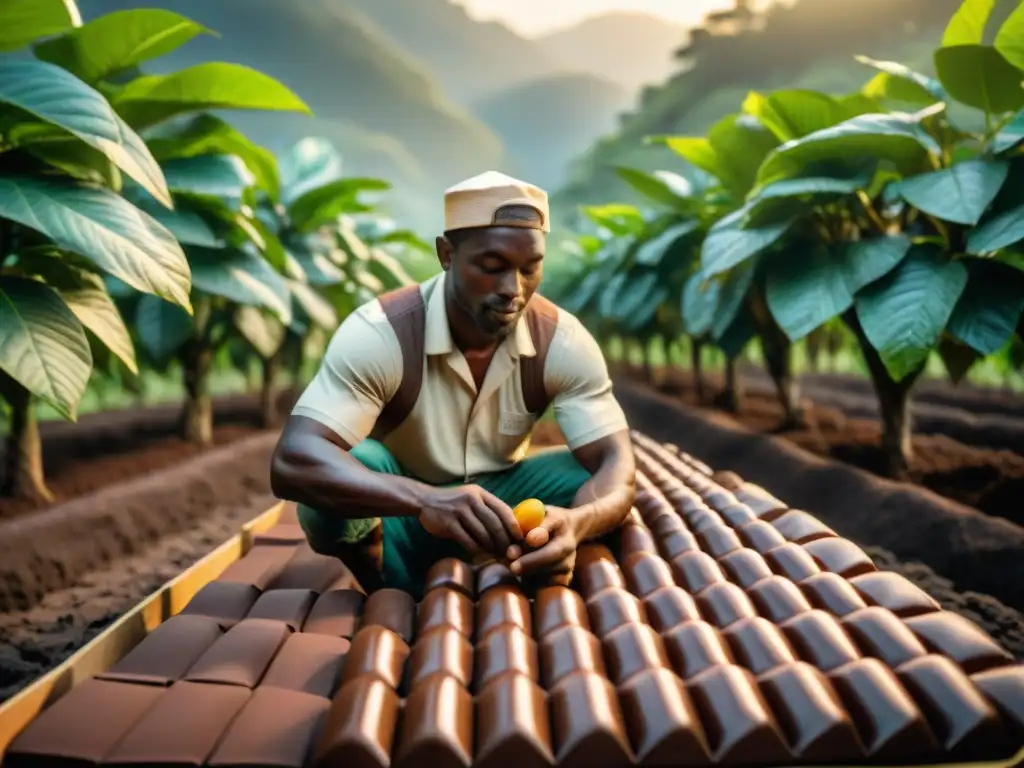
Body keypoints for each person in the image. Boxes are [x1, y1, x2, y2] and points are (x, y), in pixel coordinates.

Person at [270, 171, 636, 598]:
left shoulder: (562, 341)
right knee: (343, 470)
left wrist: (575, 524)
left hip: (502, 506)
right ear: (447, 254)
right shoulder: (381, 333)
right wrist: (425, 500)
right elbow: (293, 460)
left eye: (529, 268)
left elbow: (618, 464)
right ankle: (385, 583)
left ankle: (529, 561)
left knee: (593, 480)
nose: (512, 290)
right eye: (491, 266)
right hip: (400, 507)